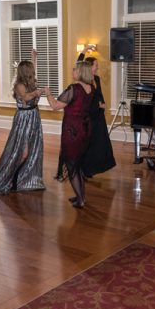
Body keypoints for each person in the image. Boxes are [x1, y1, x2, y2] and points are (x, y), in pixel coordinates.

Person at [0, 49, 45, 194]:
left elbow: (33, 76)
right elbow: (25, 97)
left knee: (32, 149)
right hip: (24, 119)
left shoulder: (31, 82)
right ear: (27, 72)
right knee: (23, 152)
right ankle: (9, 178)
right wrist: (37, 92)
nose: (33, 71)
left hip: (34, 116)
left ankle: (21, 179)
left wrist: (33, 57)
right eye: (31, 69)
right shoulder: (19, 85)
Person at [46, 60, 95, 208]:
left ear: (80, 72)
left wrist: (48, 94)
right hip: (85, 130)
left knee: (72, 164)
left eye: (75, 69)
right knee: (77, 163)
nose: (73, 71)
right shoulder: (91, 87)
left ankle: (80, 200)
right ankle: (80, 195)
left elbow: (55, 106)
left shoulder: (74, 88)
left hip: (73, 131)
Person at [80, 56, 116, 177]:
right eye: (96, 64)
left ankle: (94, 168)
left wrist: (103, 103)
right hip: (89, 115)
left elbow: (99, 94)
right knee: (89, 143)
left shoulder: (97, 78)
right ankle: (85, 169)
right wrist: (84, 51)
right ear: (89, 66)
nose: (97, 67)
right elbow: (86, 100)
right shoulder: (84, 80)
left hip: (98, 115)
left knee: (101, 142)